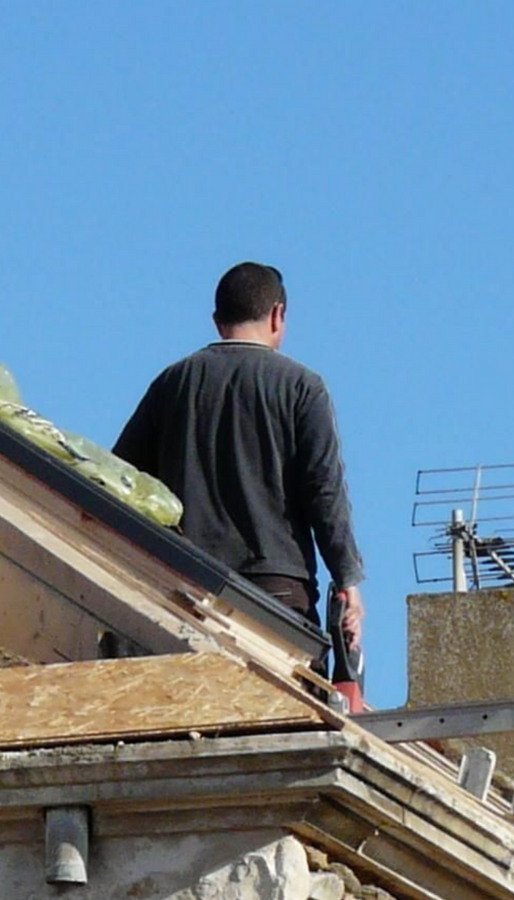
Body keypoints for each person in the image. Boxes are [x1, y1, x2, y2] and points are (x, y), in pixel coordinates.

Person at [113, 262, 364, 679]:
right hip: (278, 595)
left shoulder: (173, 383)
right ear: (278, 315)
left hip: (187, 586)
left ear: (217, 321)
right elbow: (325, 492)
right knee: (286, 719)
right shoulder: (303, 387)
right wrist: (347, 579)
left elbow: (122, 480)